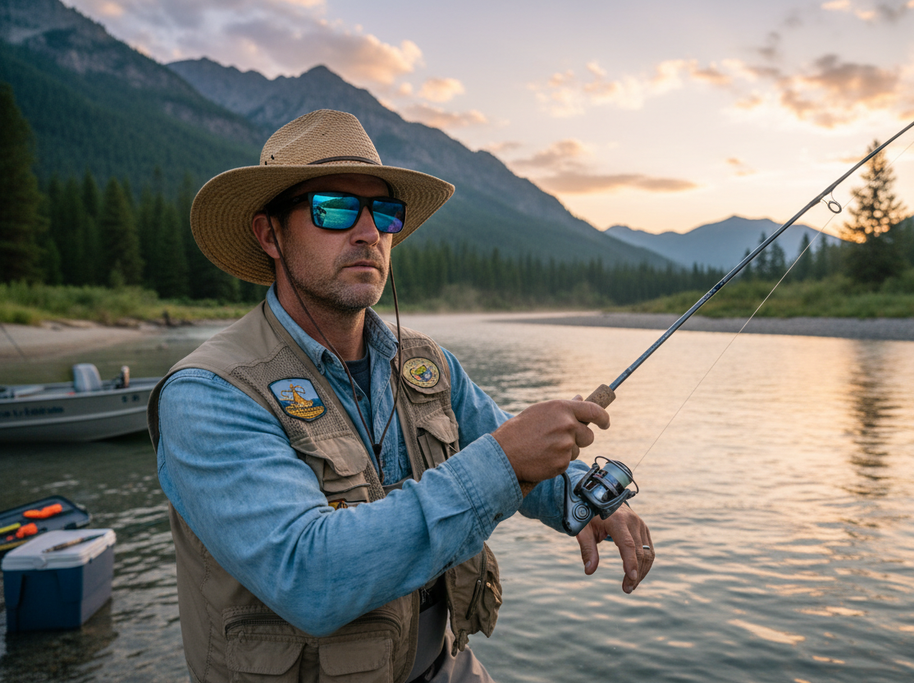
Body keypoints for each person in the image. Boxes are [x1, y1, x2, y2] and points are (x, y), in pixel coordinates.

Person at [149, 109, 655, 683]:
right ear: (271, 234)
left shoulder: (426, 363)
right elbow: (308, 576)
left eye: (384, 214)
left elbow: (509, 445)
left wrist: (588, 501)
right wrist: (505, 460)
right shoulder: (208, 392)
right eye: (334, 209)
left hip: (445, 665)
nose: (368, 233)